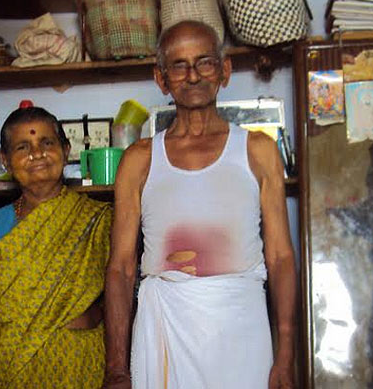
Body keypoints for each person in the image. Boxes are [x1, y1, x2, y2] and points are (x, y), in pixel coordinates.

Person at [102, 20, 297, 389]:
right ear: (161, 78)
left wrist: (284, 355)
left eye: (204, 62)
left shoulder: (257, 150)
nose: (192, 75)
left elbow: (281, 259)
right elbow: (122, 267)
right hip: (164, 331)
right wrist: (116, 368)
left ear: (224, 71)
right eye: (179, 65)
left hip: (241, 330)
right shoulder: (139, 159)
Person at [0, 106, 113, 389]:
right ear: (6, 161)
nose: (36, 154)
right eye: (22, 147)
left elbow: (120, 305)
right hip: (5, 373)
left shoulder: (97, 222)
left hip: (79, 371)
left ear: (66, 149)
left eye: (46, 143)